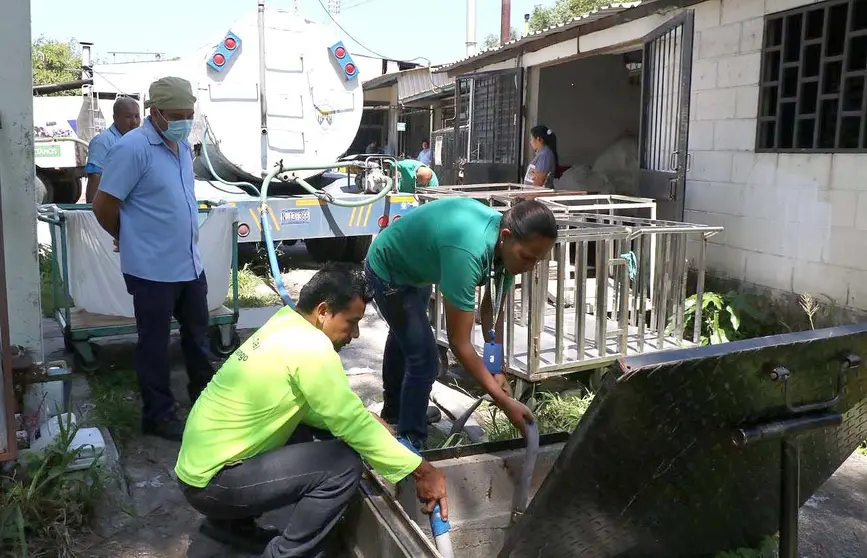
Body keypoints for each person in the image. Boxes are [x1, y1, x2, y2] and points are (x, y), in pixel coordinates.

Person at [175, 263, 448, 557]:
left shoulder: (284, 323)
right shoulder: (312, 349)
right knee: (343, 464)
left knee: (308, 429)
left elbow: (314, 407)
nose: (354, 334)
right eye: (351, 321)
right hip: (213, 484)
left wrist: (361, 419)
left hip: (198, 470)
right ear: (323, 311)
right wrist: (421, 471)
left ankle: (231, 532)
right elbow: (350, 424)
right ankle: (287, 553)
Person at [365, 197, 557, 448]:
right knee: (424, 359)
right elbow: (459, 342)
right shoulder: (468, 251)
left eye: (538, 261)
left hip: (417, 267)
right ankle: (410, 443)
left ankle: (398, 414)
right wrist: (501, 399)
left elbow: (492, 311)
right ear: (506, 236)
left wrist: (495, 367)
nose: (530, 268)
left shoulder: (507, 250)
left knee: (407, 340)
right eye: (527, 257)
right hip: (388, 268)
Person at [92, 77, 214, 442]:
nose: (185, 121)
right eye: (178, 115)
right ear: (155, 113)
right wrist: (126, 236)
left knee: (197, 337)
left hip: (189, 264)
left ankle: (207, 401)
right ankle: (158, 416)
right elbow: (103, 205)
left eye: (190, 115)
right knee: (154, 345)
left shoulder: (179, 146)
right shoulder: (133, 148)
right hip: (152, 269)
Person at [84, 97, 141, 202]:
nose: (134, 122)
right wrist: (93, 213)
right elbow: (95, 178)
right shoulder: (103, 141)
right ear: (115, 118)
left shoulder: (139, 139)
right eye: (128, 117)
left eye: (137, 116)